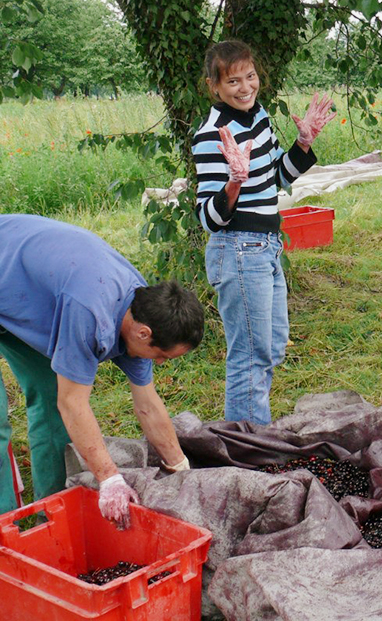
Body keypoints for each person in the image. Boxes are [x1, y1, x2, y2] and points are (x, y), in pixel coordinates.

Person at [0, 214, 204, 526]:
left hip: (24, 290)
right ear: (143, 334)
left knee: (50, 399)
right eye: (162, 356)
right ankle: (4, 530)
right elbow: (74, 403)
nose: (160, 363)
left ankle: (51, 511)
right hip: (11, 267)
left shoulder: (141, 308)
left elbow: (148, 405)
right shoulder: (90, 314)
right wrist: (110, 479)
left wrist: (181, 469)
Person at [192, 40, 336, 425]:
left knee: (270, 349)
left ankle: (251, 432)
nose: (245, 87)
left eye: (250, 76)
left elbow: (275, 179)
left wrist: (303, 143)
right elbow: (207, 218)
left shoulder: (259, 117)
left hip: (267, 246)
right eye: (233, 81)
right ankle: (250, 449)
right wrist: (233, 183)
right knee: (250, 357)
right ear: (215, 87)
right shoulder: (212, 135)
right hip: (239, 248)